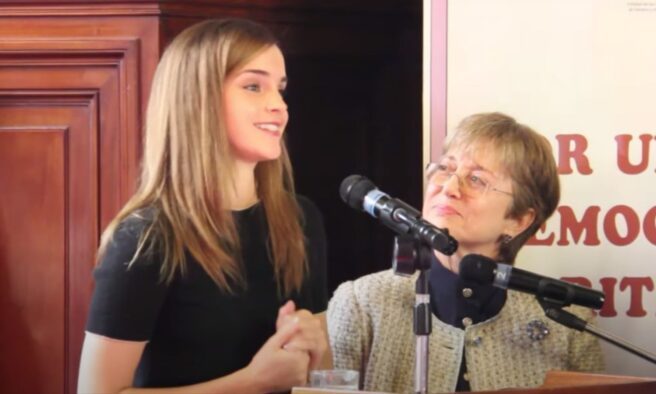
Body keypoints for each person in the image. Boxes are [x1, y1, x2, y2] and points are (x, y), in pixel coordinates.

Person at [78, 18, 328, 393]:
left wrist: (315, 347)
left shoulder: (301, 219)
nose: (278, 105)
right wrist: (253, 382)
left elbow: (320, 375)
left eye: (280, 89)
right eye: (253, 86)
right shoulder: (145, 239)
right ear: (199, 99)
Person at [326, 112, 604, 393]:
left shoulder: (567, 326)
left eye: (476, 179)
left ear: (518, 220)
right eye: (446, 169)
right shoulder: (361, 303)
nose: (448, 187)